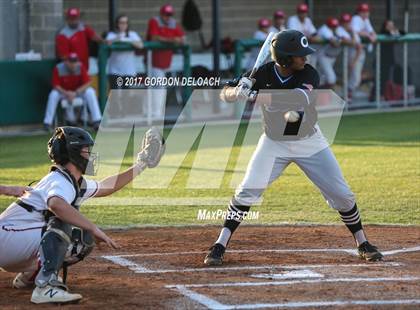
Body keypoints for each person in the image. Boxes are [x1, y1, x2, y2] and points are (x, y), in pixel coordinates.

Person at [204, 30, 383, 266]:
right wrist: (235, 92)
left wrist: (255, 95)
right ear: (286, 58)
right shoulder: (262, 73)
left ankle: (363, 243)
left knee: (342, 195)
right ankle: (219, 244)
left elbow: (296, 99)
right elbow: (224, 94)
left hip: (309, 141)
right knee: (247, 191)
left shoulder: (309, 73)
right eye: (299, 55)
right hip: (273, 143)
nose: (305, 58)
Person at [0, 126, 165, 304]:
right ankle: (46, 286)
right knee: (70, 226)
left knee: (77, 233)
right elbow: (57, 205)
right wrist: (93, 228)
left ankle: (30, 276)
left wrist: (141, 164)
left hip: (12, 243)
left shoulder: (68, 180)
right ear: (73, 153)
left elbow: (105, 186)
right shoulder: (60, 181)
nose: (90, 154)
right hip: (8, 240)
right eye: (86, 149)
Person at [43, 53, 102, 131]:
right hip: (63, 93)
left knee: (90, 92)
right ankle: (47, 123)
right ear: (66, 62)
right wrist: (67, 93)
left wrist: (76, 92)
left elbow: (88, 83)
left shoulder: (80, 67)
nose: (73, 64)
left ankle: (97, 121)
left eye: (75, 61)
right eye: (71, 61)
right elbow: (56, 85)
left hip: (77, 92)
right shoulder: (59, 68)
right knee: (53, 94)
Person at [146, 4, 185, 119]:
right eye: (165, 14)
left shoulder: (173, 23)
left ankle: (149, 112)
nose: (167, 17)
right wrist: (172, 40)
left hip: (166, 61)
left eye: (169, 14)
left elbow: (182, 39)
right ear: (161, 14)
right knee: (159, 86)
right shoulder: (155, 21)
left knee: (155, 86)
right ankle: (156, 114)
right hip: (152, 60)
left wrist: (173, 40)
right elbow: (154, 37)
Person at [106, 14, 143, 89]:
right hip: (114, 70)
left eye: (125, 23)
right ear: (117, 24)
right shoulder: (112, 34)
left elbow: (140, 45)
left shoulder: (132, 34)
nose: (123, 25)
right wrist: (118, 38)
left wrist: (127, 40)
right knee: (114, 94)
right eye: (121, 23)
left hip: (128, 71)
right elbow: (107, 43)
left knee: (126, 95)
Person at [349, 3, 376, 97]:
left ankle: (348, 98)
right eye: (363, 11)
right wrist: (368, 35)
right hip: (354, 50)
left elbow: (372, 31)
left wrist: (372, 35)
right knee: (355, 78)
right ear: (359, 12)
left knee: (356, 77)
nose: (365, 13)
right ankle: (347, 97)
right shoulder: (356, 18)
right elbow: (356, 31)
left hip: (361, 50)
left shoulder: (366, 20)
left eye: (367, 11)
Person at [336, 13, 363, 100]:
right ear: (341, 23)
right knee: (351, 78)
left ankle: (347, 96)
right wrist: (352, 33)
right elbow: (352, 42)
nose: (346, 24)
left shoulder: (352, 30)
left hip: (354, 55)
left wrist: (354, 61)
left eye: (348, 22)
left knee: (355, 78)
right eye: (344, 22)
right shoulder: (339, 30)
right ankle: (345, 96)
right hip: (344, 55)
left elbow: (359, 46)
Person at [316, 17, 341, 89]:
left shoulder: (336, 30)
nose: (334, 28)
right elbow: (334, 43)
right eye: (332, 26)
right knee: (331, 79)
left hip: (326, 55)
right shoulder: (325, 29)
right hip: (316, 55)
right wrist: (340, 40)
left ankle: (322, 96)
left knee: (322, 78)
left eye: (335, 26)